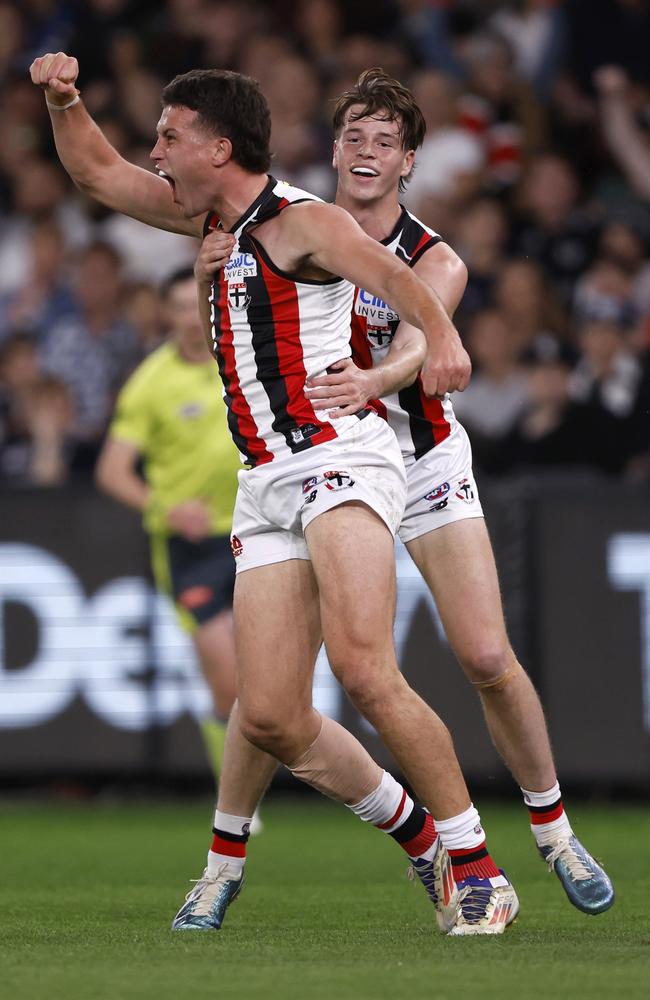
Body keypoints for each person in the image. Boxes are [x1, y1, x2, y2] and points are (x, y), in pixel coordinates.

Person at [30, 51, 517, 936]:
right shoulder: (201, 217)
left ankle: (478, 864)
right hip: (265, 482)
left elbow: (395, 273)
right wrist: (64, 98)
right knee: (271, 716)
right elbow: (94, 171)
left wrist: (438, 337)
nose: (156, 149)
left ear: (218, 146)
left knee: (366, 668)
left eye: (170, 136)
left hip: (339, 455)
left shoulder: (302, 221)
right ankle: (421, 839)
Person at [184, 68, 615, 929]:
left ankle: (554, 828)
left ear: (410, 161)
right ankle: (223, 858)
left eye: (385, 141)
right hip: (326, 461)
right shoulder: (293, 225)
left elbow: (425, 337)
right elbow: (242, 340)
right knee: (270, 690)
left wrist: (373, 377)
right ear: (334, 148)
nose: (366, 152)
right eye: (354, 137)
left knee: (487, 657)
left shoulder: (433, 255)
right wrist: (209, 281)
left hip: (417, 459)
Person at [95, 268, 241, 785]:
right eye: (178, 306)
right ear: (166, 313)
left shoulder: (242, 357)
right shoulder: (151, 382)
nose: (189, 316)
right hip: (193, 546)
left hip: (258, 531)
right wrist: (166, 507)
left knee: (269, 683)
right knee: (226, 683)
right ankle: (238, 797)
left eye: (196, 303)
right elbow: (112, 471)